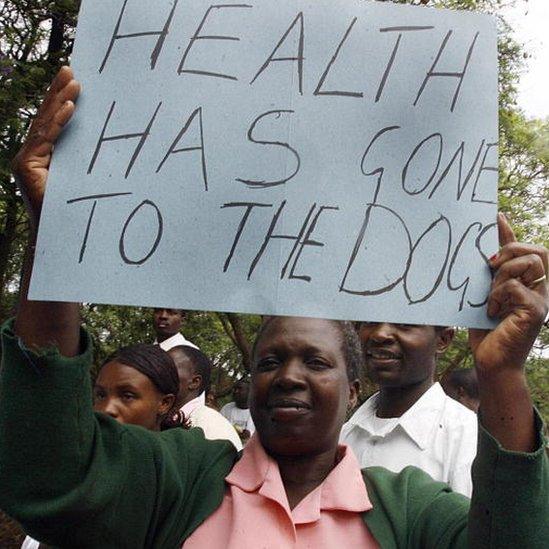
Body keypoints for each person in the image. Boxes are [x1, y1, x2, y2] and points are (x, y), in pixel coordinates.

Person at [1, 66, 548, 548]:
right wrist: (57, 241)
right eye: (268, 362)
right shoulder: (181, 477)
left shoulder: (410, 510)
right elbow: (51, 476)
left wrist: (501, 374)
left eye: (316, 362)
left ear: (354, 389)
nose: (287, 376)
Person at [21, 342, 184, 549]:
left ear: (164, 403)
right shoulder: (82, 467)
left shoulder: (177, 476)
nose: (106, 409)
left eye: (127, 396)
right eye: (100, 395)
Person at [340, 324, 478, 496]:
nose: (380, 334)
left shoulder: (468, 438)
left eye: (404, 325)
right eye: (370, 321)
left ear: (443, 339)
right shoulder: (342, 435)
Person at [169, 345, 242, 450]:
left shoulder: (213, 429)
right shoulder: (159, 417)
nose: (159, 372)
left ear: (194, 382)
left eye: (170, 368)